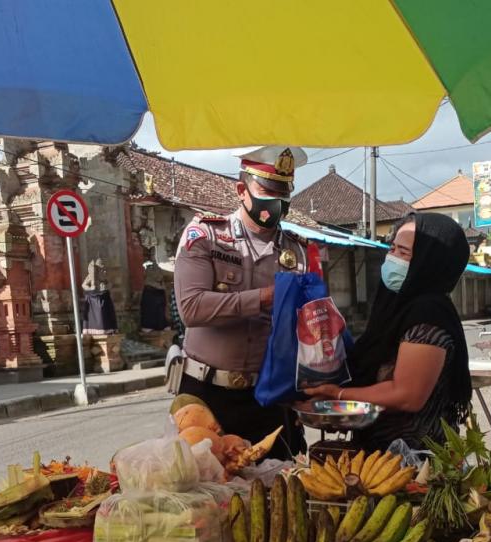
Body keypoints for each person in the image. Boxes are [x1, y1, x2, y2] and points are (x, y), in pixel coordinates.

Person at [174, 146, 310, 459]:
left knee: (277, 494)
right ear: (241, 190)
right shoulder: (205, 236)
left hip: (269, 396)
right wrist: (265, 298)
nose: (277, 201)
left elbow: (306, 324)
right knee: (208, 493)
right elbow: (191, 308)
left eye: (284, 191)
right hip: (206, 394)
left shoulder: (298, 251)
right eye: (267, 190)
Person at [304, 212, 472, 453]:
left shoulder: (428, 314)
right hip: (379, 451)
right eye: (392, 249)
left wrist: (338, 395)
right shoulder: (396, 308)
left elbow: (406, 395)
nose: (392, 258)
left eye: (403, 253)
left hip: (415, 460)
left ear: (430, 262)